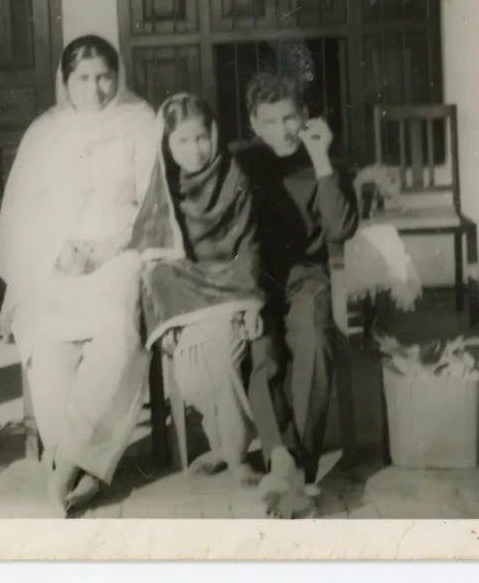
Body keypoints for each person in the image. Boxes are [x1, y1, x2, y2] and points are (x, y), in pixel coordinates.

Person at [0, 34, 158, 516]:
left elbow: (153, 203)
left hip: (120, 251)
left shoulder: (140, 121)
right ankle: (81, 463)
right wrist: (55, 253)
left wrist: (110, 248)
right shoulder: (44, 131)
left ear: (118, 75)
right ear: (65, 81)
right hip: (56, 258)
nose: (95, 88)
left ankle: (65, 465)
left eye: (104, 75)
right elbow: (20, 212)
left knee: (116, 331)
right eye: (82, 78)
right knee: (45, 342)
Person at [235, 72, 361, 518]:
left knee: (313, 336)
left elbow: (341, 229)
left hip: (308, 276)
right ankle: (281, 459)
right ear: (253, 122)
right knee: (261, 347)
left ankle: (297, 469)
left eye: (290, 117)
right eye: (269, 121)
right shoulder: (243, 164)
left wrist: (322, 159)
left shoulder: (324, 159)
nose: (282, 130)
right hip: (256, 281)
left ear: (306, 116)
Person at [127, 93, 265, 486]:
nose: (196, 150)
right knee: (189, 377)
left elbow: (248, 243)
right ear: (167, 145)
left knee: (222, 355)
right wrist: (165, 316)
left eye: (202, 137)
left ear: (215, 133)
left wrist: (252, 302)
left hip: (231, 289)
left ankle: (235, 454)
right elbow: (154, 261)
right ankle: (219, 443)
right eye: (183, 141)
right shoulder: (163, 188)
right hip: (186, 297)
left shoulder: (233, 175)